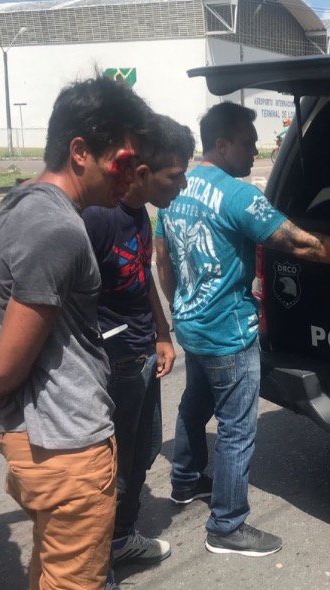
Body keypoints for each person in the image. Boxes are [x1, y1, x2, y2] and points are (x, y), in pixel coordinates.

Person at [154, 102, 330, 557]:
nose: (256, 152)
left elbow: (162, 256)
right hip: (229, 334)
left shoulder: (178, 187)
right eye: (248, 144)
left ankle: (186, 480)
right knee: (235, 427)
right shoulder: (237, 195)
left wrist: (178, 305)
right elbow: (303, 245)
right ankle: (227, 527)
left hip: (191, 324)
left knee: (195, 404)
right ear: (222, 143)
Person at [0, 74, 149, 590]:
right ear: (80, 151)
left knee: (51, 570)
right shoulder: (60, 230)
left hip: (36, 442)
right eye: (120, 162)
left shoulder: (17, 202)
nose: (128, 178)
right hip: (68, 449)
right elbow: (9, 366)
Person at [81, 114, 195, 572]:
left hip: (142, 353)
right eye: (176, 174)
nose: (183, 184)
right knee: (110, 471)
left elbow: (141, 272)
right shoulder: (97, 218)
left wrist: (162, 334)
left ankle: (122, 538)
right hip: (111, 364)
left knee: (141, 455)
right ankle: (96, 568)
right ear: (143, 173)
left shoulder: (139, 213)